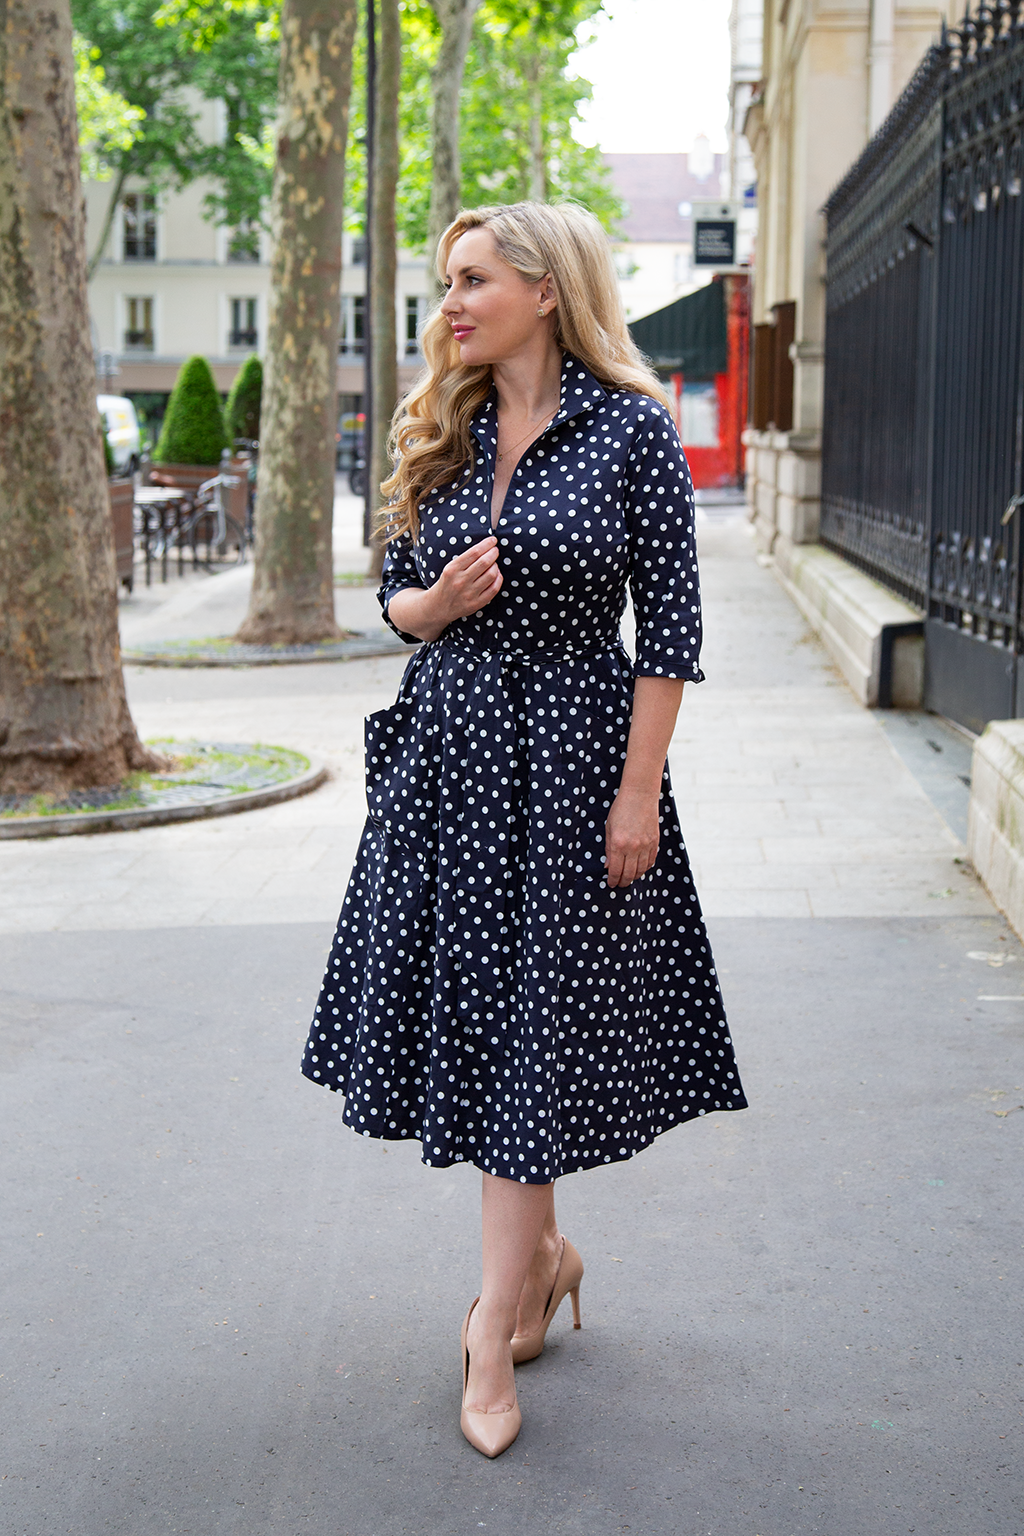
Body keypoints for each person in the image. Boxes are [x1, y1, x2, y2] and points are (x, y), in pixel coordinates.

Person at [302, 201, 747, 1458]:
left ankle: (493, 1317)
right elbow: (392, 596)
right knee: (493, 1026)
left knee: (528, 1032)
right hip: (446, 767)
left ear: (546, 291)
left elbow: (670, 635)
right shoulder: (438, 424)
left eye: (471, 280)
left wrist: (638, 791)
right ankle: (539, 1260)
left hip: (566, 767)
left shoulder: (630, 432)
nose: (448, 303)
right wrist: (427, 604)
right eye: (446, 282)